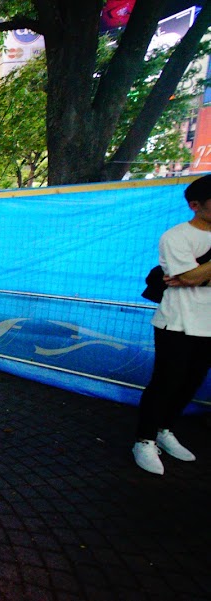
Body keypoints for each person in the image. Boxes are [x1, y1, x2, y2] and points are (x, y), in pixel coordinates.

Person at [132, 175, 211, 475]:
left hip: (209, 324)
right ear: (195, 205)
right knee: (166, 381)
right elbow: (188, 278)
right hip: (176, 323)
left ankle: (165, 430)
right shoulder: (176, 237)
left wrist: (194, 275)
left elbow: (191, 277)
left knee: (192, 381)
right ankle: (144, 440)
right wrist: (192, 277)